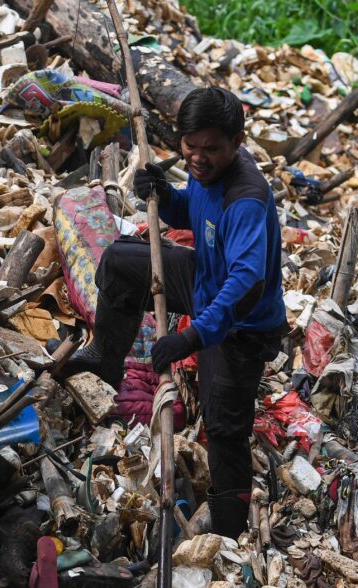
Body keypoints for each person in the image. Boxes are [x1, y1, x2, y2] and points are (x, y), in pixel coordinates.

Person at [65, 87, 287, 538]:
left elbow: (246, 285)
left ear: (237, 142)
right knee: (122, 262)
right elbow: (194, 213)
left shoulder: (245, 198)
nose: (199, 158)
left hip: (239, 324)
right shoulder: (204, 175)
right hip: (206, 279)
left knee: (223, 426)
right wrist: (164, 196)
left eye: (212, 149)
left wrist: (191, 337)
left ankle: (225, 532)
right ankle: (106, 359)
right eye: (190, 147)